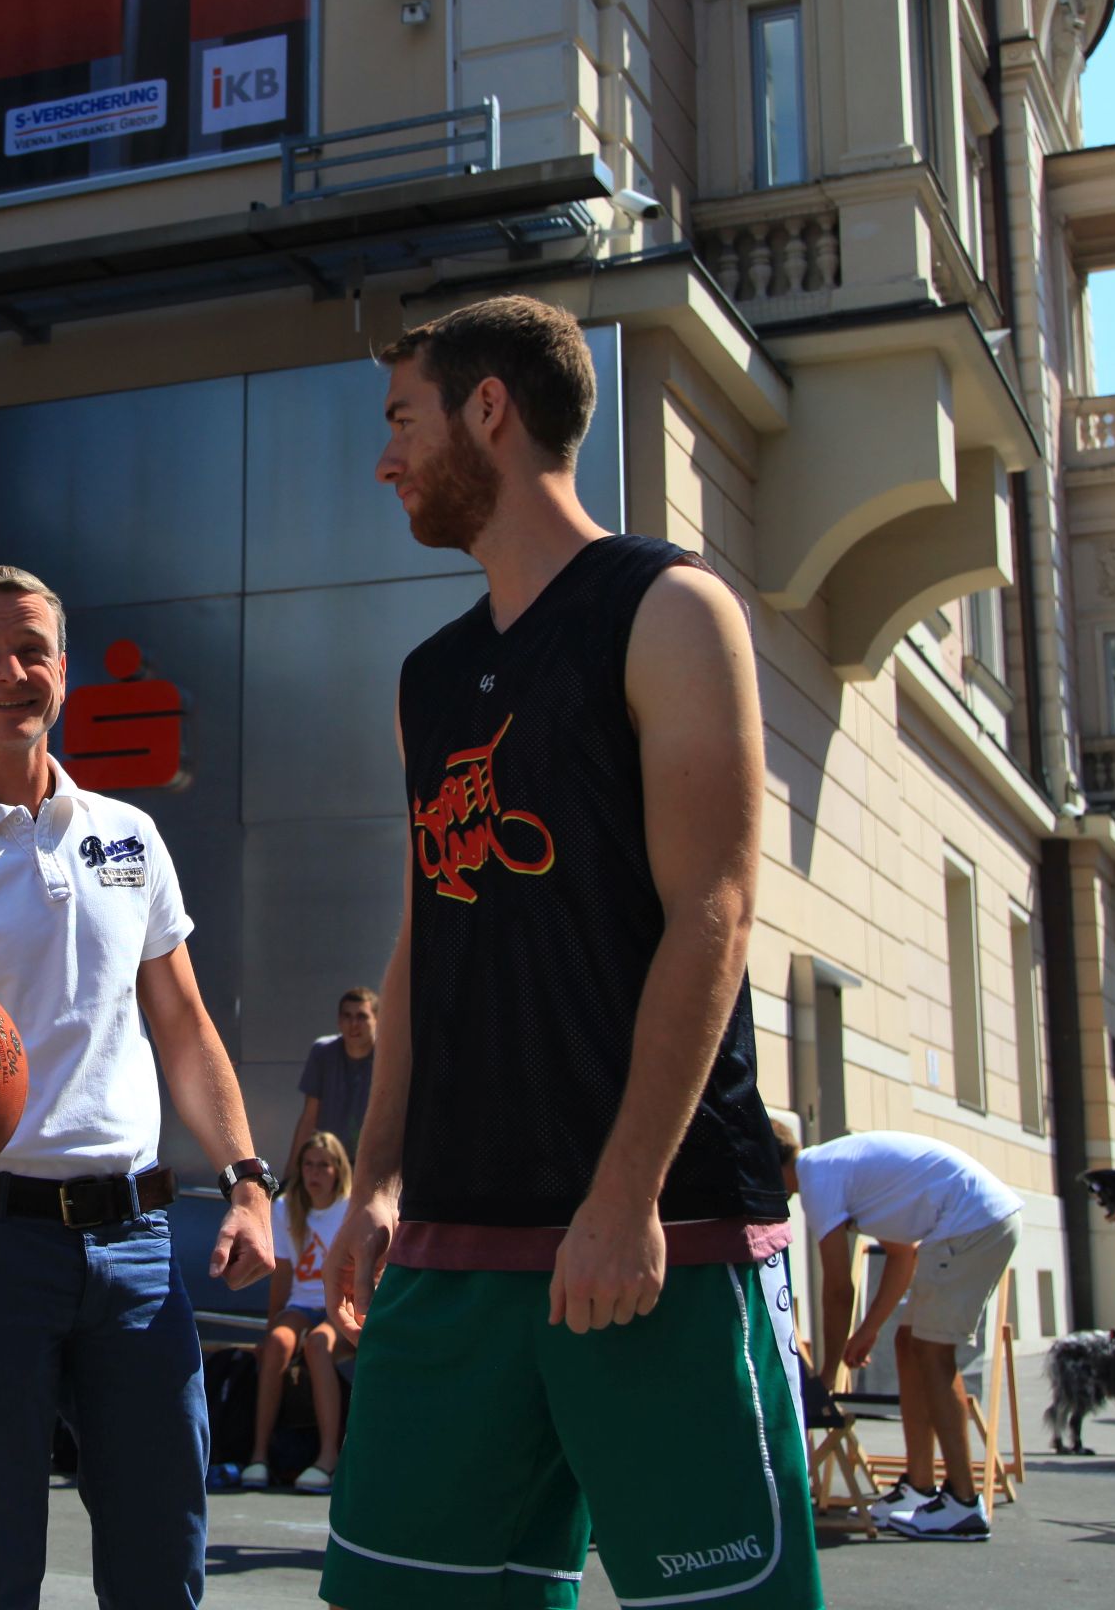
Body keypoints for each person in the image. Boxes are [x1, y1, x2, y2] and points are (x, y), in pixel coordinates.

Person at [319, 297, 820, 1610]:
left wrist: (626, 1196)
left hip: (654, 1240)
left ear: (489, 408)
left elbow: (714, 911)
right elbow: (429, 929)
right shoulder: (429, 678)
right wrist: (376, 1180)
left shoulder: (667, 610)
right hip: (456, 1242)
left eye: (400, 420)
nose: (385, 461)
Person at [0, 563, 275, 1609]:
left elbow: (181, 1021)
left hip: (135, 1243)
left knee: (163, 1553)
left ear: (65, 673)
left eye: (31, 648)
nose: (10, 671)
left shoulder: (127, 836)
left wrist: (250, 1178)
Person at [778, 1125, 1021, 1541]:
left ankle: (963, 1503)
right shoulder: (834, 1167)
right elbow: (900, 1253)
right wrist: (869, 1330)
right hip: (975, 1218)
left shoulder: (818, 1180)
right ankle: (918, 1487)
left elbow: (837, 1289)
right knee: (908, 1344)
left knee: (933, 1353)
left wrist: (825, 1376)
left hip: (971, 1222)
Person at [244, 1132, 352, 1494]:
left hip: (342, 1304)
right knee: (277, 1342)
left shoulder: (351, 1209)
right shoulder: (285, 1207)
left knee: (319, 1344)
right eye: (308, 1164)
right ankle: (258, 1456)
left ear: (339, 1170)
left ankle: (328, 1458)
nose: (314, 1173)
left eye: (324, 1164)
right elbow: (283, 1275)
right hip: (302, 1304)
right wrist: (270, 1324)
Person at [290, 992, 377, 1165]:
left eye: (361, 1016)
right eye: (347, 1016)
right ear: (339, 1021)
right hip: (329, 1164)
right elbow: (309, 1116)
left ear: (377, 1020)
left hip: (373, 1163)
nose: (354, 1024)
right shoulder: (323, 1051)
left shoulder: (388, 1056)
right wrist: (292, 1173)